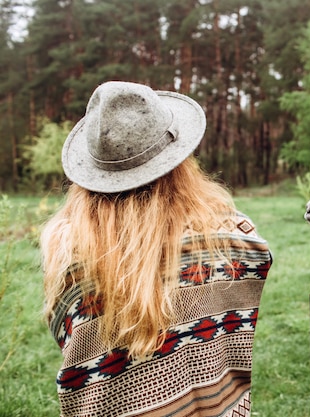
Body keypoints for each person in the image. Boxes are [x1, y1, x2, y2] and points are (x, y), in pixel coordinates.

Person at [40, 81, 272, 417]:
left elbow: (69, 337)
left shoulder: (66, 254)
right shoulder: (235, 237)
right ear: (179, 162)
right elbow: (259, 262)